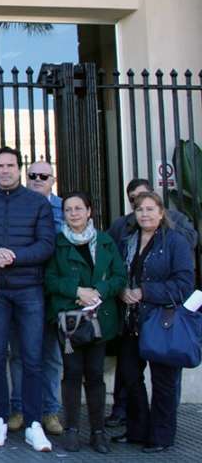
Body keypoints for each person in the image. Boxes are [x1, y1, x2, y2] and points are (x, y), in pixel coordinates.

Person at [0, 147, 55, 452]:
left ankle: (33, 423)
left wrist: (14, 256)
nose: (5, 170)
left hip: (30, 289)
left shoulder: (37, 203)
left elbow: (46, 245)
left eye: (10, 165)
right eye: (0, 166)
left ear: (19, 168)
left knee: (32, 358)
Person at [105, 178, 199, 428]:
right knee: (130, 376)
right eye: (139, 209)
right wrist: (121, 289)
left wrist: (144, 291)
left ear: (161, 212)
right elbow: (116, 272)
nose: (144, 214)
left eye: (149, 209)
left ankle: (161, 435)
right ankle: (137, 430)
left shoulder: (175, 241)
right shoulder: (127, 239)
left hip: (161, 320)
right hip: (131, 321)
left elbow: (184, 285)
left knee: (163, 382)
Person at [44, 192, 126, 454]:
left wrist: (98, 291)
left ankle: (98, 432)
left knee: (95, 376)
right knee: (71, 375)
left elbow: (119, 276)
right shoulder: (57, 243)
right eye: (68, 210)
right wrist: (77, 291)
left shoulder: (105, 241)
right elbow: (49, 279)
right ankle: (71, 430)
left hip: (99, 318)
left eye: (79, 208)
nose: (74, 213)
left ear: (89, 211)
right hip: (70, 320)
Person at [9, 161, 65, 437]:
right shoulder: (16, 205)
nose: (37, 179)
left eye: (44, 175)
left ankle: (50, 411)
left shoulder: (65, 208)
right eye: (32, 175)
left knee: (50, 355)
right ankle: (19, 409)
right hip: (22, 286)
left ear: (53, 179)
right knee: (19, 353)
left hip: (52, 290)